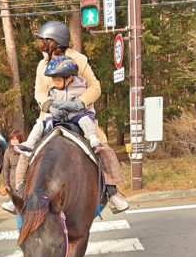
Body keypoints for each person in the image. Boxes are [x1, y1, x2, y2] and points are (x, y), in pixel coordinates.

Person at [13, 21, 128, 213]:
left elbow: (95, 86)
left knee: (103, 148)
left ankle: (112, 191)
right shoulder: (42, 65)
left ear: (55, 42)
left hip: (77, 115)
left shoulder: (79, 60)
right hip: (52, 116)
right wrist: (49, 105)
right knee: (28, 151)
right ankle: (21, 190)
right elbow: (39, 92)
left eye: (44, 40)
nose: (41, 43)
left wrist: (79, 103)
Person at [14, 55, 103, 155]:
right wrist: (51, 108)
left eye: (58, 80)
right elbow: (41, 95)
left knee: (84, 120)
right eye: (53, 79)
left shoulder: (80, 87)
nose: (55, 83)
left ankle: (94, 141)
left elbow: (92, 92)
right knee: (40, 123)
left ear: (69, 78)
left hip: (77, 115)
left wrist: (76, 104)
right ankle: (30, 143)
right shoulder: (53, 89)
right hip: (59, 117)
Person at [1, 130, 26, 213]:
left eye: (16, 139)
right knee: (18, 210)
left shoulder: (26, 151)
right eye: (12, 139)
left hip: (25, 183)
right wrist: (6, 184)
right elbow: (5, 168)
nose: (14, 142)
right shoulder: (8, 151)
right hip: (13, 185)